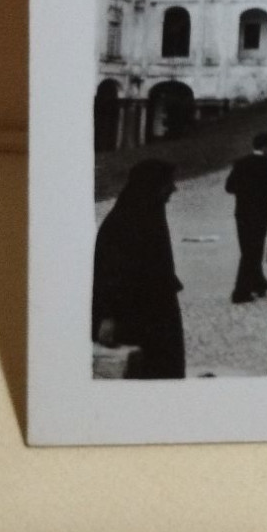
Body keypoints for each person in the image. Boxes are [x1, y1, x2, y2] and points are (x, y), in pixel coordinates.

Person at [92, 159, 185, 379]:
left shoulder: (149, 214)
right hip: (134, 317)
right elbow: (108, 275)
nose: (173, 188)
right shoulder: (122, 223)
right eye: (168, 183)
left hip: (158, 315)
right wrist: (107, 317)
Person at [224, 131, 267, 302]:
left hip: (242, 211)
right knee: (253, 250)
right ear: (266, 147)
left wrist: (245, 191)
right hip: (260, 212)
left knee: (247, 248)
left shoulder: (240, 163)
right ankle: (240, 291)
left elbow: (229, 187)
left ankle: (258, 282)